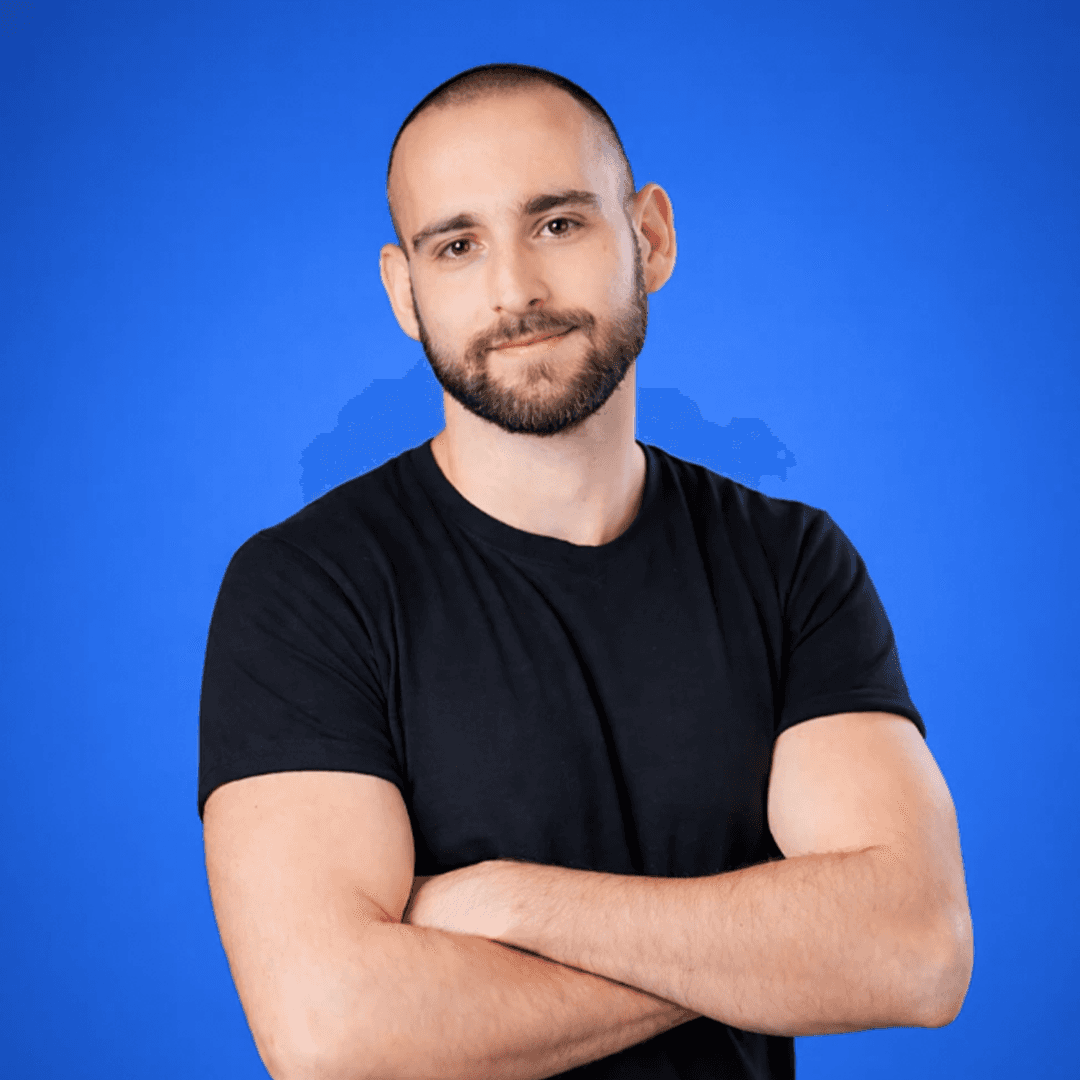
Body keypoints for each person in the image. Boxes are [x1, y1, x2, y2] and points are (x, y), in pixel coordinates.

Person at [198, 63, 973, 1080]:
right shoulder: (307, 588)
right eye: (459, 244)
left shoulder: (788, 562)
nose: (514, 289)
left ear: (648, 237)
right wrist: (759, 954)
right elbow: (333, 1030)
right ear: (404, 289)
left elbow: (915, 951)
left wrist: (515, 904)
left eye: (557, 224)